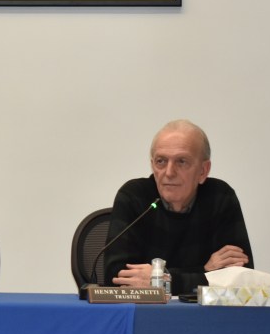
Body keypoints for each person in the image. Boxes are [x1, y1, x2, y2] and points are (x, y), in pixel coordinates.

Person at [103, 120, 253, 295]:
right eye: (161, 161)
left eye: (181, 161)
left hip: (202, 312)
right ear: (152, 165)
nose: (169, 172)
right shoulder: (134, 196)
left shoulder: (220, 197)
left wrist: (161, 279)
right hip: (144, 310)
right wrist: (205, 271)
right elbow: (116, 277)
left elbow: (241, 277)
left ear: (203, 170)